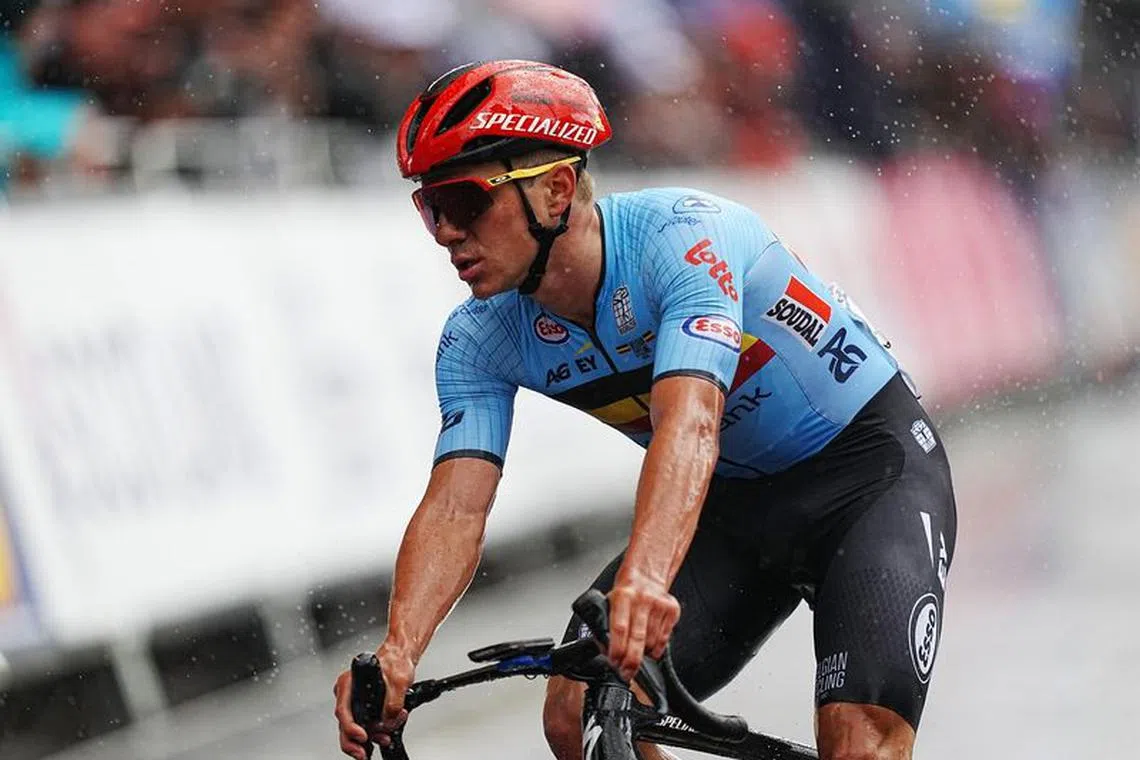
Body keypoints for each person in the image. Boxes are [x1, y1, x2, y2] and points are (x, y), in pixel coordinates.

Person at [333, 59, 957, 760]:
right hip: (733, 511)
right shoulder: (478, 337)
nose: (446, 231)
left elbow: (690, 424)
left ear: (555, 190)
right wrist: (398, 651)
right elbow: (456, 506)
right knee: (577, 712)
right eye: (430, 208)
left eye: (463, 201)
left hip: (868, 479)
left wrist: (647, 581)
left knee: (859, 741)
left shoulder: (683, 242)